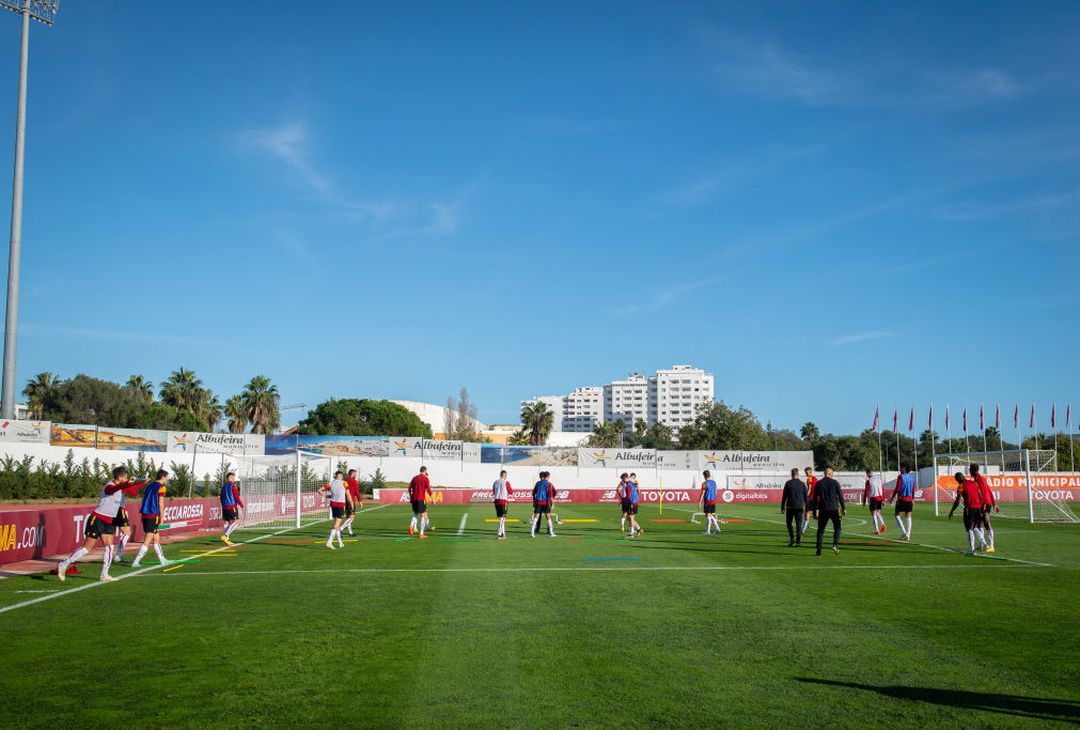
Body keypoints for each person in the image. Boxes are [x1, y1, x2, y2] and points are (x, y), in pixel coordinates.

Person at [57, 466, 146, 582]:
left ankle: (104, 574)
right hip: (97, 519)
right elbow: (111, 490)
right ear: (120, 477)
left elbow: (132, 490)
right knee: (87, 548)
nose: (127, 479)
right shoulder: (109, 486)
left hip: (109, 521)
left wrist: (142, 483)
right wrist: (128, 483)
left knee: (109, 546)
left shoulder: (120, 487)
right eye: (125, 477)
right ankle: (64, 564)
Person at [131, 469, 173, 568]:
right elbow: (160, 503)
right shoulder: (161, 487)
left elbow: (145, 499)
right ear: (163, 477)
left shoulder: (150, 485)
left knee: (156, 536)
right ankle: (136, 561)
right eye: (167, 476)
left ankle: (162, 559)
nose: (167, 478)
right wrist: (162, 516)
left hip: (145, 513)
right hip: (153, 514)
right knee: (148, 538)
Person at [948, 471, 989, 556]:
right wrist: (981, 507)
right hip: (978, 508)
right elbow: (980, 494)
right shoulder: (973, 483)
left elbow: (957, 501)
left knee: (969, 529)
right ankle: (984, 543)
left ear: (957, 480)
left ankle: (972, 550)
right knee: (974, 527)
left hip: (969, 509)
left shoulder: (961, 487)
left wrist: (952, 511)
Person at [812, 467, 846, 556]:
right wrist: (843, 508)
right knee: (837, 528)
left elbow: (815, 499)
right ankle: (835, 544)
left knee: (820, 530)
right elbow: (841, 496)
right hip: (834, 509)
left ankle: (818, 551)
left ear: (824, 473)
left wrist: (815, 511)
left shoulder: (819, 483)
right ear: (830, 474)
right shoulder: (835, 483)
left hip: (823, 509)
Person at [970, 464, 999, 554]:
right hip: (984, 503)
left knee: (986, 522)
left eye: (970, 470)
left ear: (974, 470)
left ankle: (991, 546)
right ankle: (983, 545)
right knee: (979, 524)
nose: (969, 471)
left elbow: (983, 493)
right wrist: (994, 504)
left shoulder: (980, 479)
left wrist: (984, 505)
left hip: (985, 503)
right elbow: (989, 490)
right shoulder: (978, 479)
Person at [780, 467, 808, 547]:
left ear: (791, 474)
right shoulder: (802, 484)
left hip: (790, 507)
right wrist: (807, 508)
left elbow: (784, 496)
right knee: (799, 525)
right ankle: (798, 542)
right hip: (799, 507)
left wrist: (782, 506)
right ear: (798, 474)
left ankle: (792, 539)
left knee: (789, 523)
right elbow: (806, 497)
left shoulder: (788, 483)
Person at [320, 471, 348, 549]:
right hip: (340, 504)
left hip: (333, 504)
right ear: (341, 476)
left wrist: (326, 496)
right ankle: (329, 542)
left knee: (337, 525)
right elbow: (348, 494)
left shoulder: (331, 483)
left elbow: (319, 490)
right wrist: (351, 504)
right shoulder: (344, 483)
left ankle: (340, 542)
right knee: (336, 525)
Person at [889, 465, 916, 541]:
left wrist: (893, 497)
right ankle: (908, 534)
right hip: (909, 499)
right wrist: (912, 499)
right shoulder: (912, 478)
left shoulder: (901, 477)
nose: (900, 469)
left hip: (902, 499)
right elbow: (913, 490)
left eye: (902, 468)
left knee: (897, 515)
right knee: (908, 516)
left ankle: (904, 532)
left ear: (905, 469)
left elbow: (898, 488)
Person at [220, 472, 245, 545]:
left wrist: (223, 505)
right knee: (237, 522)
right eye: (234, 477)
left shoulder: (223, 486)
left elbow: (221, 497)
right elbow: (236, 497)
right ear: (230, 478)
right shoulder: (233, 485)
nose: (234, 479)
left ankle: (227, 539)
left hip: (224, 507)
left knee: (226, 522)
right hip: (232, 506)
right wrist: (242, 506)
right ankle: (225, 535)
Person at [408, 466, 433, 538]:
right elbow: (428, 489)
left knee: (415, 514)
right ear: (425, 471)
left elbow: (409, 488)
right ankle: (421, 534)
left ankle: (411, 527)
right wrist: (432, 498)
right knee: (422, 515)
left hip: (414, 499)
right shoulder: (425, 478)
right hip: (420, 499)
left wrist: (411, 497)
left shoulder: (414, 478)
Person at [531, 471, 557, 538]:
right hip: (545, 502)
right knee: (548, 516)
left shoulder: (538, 483)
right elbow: (551, 495)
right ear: (548, 477)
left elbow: (533, 493)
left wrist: (534, 501)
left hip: (538, 502)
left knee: (536, 516)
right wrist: (553, 504)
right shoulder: (549, 484)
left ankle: (532, 532)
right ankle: (551, 533)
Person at [863, 468, 886, 535]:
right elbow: (882, 489)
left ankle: (877, 530)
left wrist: (864, 500)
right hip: (880, 498)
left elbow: (866, 491)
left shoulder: (869, 481)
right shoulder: (879, 479)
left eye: (866, 473)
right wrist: (883, 499)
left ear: (868, 473)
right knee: (877, 513)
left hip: (874, 498)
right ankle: (883, 524)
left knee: (873, 515)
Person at [341, 469, 363, 536]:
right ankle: (340, 529)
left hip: (345, 500)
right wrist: (360, 501)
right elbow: (357, 491)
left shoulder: (345, 481)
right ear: (353, 474)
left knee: (348, 516)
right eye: (355, 474)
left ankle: (350, 533)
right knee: (352, 517)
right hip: (351, 500)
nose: (356, 475)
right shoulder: (353, 481)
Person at [492, 469, 513, 539]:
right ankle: (499, 534)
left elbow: (494, 491)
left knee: (501, 518)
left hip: (496, 501)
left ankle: (503, 533)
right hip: (503, 501)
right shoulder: (506, 482)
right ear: (505, 475)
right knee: (502, 518)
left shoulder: (495, 482)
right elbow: (510, 491)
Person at [699, 470, 721, 536]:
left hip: (707, 501)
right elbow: (716, 491)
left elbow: (702, 493)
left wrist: (699, 502)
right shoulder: (714, 482)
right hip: (713, 500)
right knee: (710, 515)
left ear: (704, 476)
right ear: (709, 475)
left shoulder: (704, 483)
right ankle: (717, 528)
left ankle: (708, 531)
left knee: (708, 516)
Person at [801, 467, 818, 535]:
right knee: (816, 516)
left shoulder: (810, 478)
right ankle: (819, 530)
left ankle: (802, 531)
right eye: (805, 472)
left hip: (811, 499)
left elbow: (809, 489)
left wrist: (806, 497)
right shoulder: (815, 478)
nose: (805, 473)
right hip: (816, 499)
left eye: (806, 472)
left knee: (807, 514)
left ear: (810, 472)